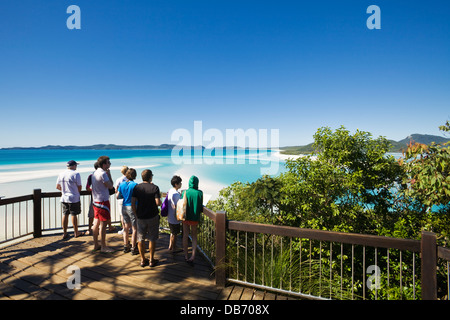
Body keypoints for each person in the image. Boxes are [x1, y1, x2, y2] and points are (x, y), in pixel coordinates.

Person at [132, 169, 161, 267]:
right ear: (150, 177)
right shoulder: (155, 187)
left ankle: (142, 260)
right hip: (152, 215)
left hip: (141, 216)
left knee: (141, 238)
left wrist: (136, 213)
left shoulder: (137, 188)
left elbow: (133, 202)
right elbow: (158, 203)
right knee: (152, 238)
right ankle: (152, 260)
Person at [91, 156, 114, 253]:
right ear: (104, 164)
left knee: (96, 224)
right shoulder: (103, 173)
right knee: (103, 225)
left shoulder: (94, 173)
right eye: (109, 163)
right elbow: (110, 186)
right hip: (103, 201)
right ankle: (104, 247)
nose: (110, 165)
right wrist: (109, 175)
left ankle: (96, 244)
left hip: (95, 201)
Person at [56, 160, 84, 239]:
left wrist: (64, 191)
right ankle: (76, 232)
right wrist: (75, 192)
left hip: (64, 197)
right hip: (73, 198)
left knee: (65, 214)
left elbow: (57, 186)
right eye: (76, 165)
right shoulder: (76, 174)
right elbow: (79, 187)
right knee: (73, 214)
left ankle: (64, 233)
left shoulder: (61, 174)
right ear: (74, 166)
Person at [182, 175, 203, 264]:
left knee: (185, 235)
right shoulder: (200, 193)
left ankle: (186, 256)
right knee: (194, 236)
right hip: (195, 217)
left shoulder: (185, 192)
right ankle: (193, 256)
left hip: (185, 217)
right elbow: (200, 206)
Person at [117, 168, 138, 255]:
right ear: (134, 176)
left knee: (126, 227)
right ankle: (133, 247)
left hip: (124, 206)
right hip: (133, 207)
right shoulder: (135, 185)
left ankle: (126, 246)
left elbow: (118, 196)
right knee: (134, 228)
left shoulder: (122, 184)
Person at [167, 175, 182, 253]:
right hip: (174, 217)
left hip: (170, 215)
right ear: (176, 184)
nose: (181, 184)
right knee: (175, 233)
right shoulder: (176, 194)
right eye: (180, 183)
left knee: (172, 232)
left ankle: (170, 246)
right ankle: (174, 248)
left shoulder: (171, 190)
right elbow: (177, 206)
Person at [85, 161, 99, 235]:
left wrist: (93, 190)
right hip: (102, 198)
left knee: (91, 214)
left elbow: (87, 188)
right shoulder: (104, 175)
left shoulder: (91, 176)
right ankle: (108, 227)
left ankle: (90, 229)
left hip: (94, 197)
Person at [115, 165, 129, 234]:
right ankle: (130, 228)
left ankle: (124, 229)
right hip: (129, 199)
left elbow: (116, 190)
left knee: (122, 215)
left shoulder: (119, 179)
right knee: (130, 214)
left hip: (121, 199)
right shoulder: (129, 179)